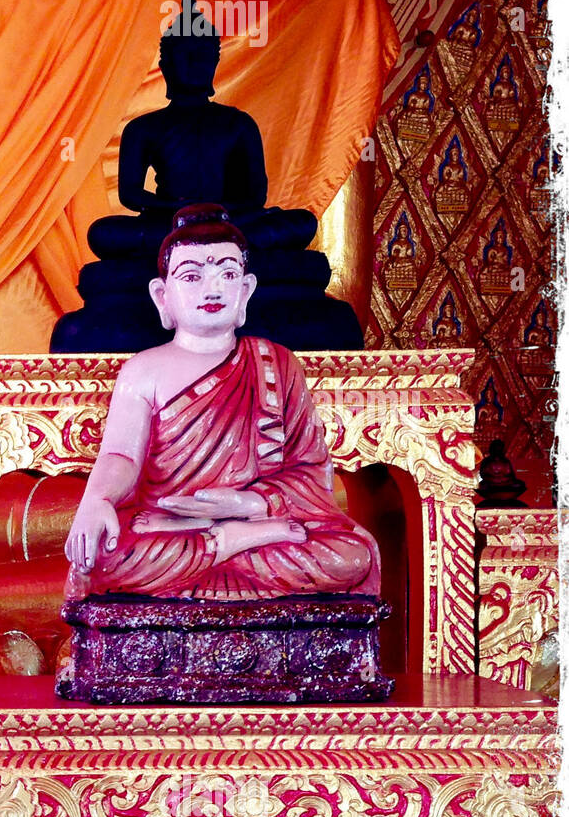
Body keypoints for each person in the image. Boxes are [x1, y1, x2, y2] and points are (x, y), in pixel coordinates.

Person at [64, 203, 379, 601]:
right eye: (192, 276)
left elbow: (310, 470)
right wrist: (97, 500)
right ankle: (230, 542)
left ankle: (229, 541)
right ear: (162, 295)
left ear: (245, 289)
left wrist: (247, 502)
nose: (211, 289)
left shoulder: (277, 364)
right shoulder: (143, 370)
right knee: (109, 556)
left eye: (227, 274)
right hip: (169, 523)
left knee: (350, 556)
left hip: (251, 523)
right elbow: (121, 456)